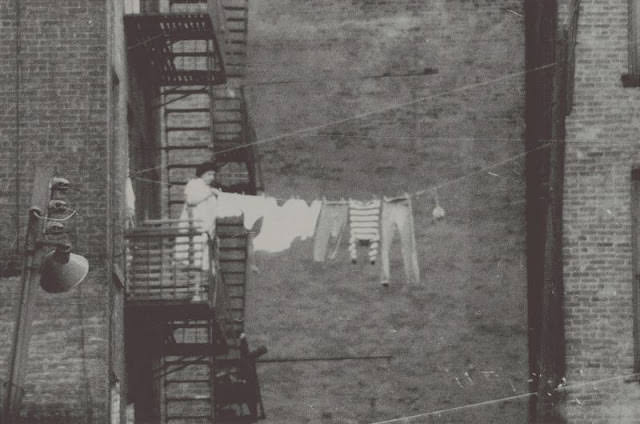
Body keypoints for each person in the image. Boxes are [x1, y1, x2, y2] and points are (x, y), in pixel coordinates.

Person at [176, 161, 221, 276]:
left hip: (206, 229)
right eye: (209, 174)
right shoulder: (194, 184)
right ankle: (195, 287)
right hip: (195, 226)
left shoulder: (210, 189)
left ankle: (200, 288)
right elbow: (191, 200)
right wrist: (209, 193)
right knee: (194, 256)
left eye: (213, 175)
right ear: (202, 174)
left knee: (204, 260)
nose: (212, 177)